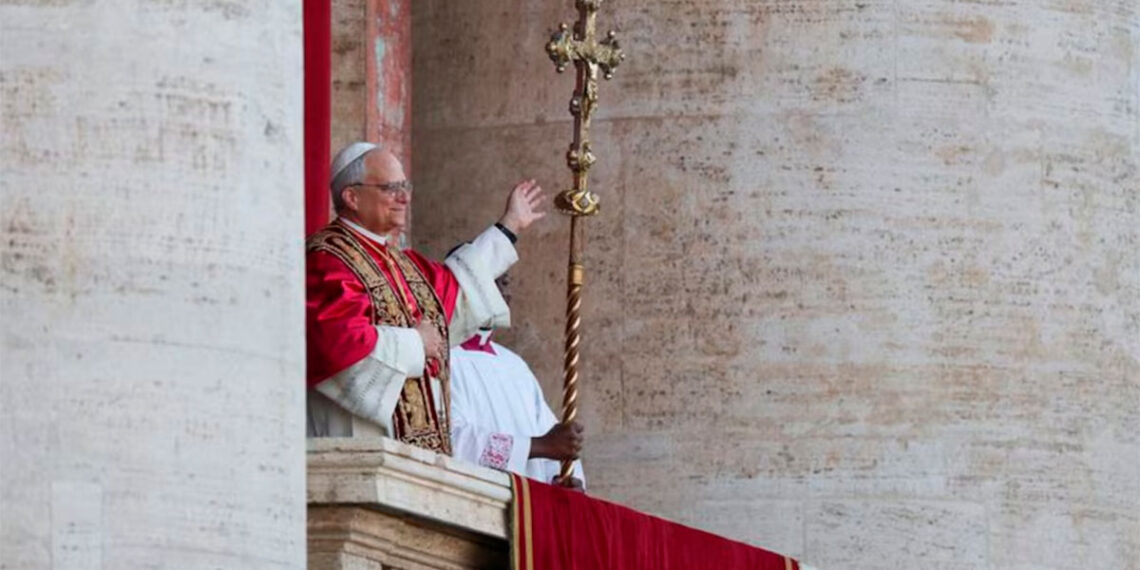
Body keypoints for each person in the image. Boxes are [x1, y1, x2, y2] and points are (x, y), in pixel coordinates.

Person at [306, 141, 545, 455]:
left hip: (415, 455)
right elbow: (336, 346)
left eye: (405, 187)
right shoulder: (328, 259)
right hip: (355, 449)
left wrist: (509, 226)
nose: (404, 197)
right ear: (352, 197)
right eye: (391, 188)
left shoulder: (404, 264)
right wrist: (416, 344)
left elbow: (459, 286)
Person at [450, 273, 586, 488]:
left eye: (506, 282)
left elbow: (552, 436)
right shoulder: (441, 358)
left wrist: (561, 478)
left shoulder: (514, 365)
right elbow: (451, 440)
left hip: (530, 500)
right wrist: (539, 446)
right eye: (496, 279)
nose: (507, 291)